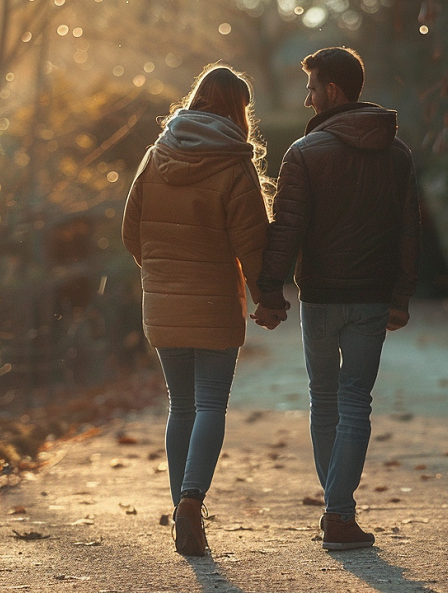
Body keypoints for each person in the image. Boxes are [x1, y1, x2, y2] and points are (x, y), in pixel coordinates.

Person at [254, 47, 421, 550]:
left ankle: (338, 513)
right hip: (371, 298)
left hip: (322, 298)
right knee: (355, 403)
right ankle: (338, 513)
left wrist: (270, 294)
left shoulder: (305, 154)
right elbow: (407, 232)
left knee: (324, 400)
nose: (306, 99)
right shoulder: (396, 154)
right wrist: (400, 297)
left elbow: (286, 231)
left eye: (311, 88)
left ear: (332, 91)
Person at [122, 65, 271, 557]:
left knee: (180, 405)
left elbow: (131, 229)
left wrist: (161, 271)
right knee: (210, 404)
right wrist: (268, 298)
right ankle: (190, 505)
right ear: (236, 109)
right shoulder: (234, 162)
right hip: (213, 301)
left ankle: (184, 519)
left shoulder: (156, 153)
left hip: (163, 300)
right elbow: (253, 244)